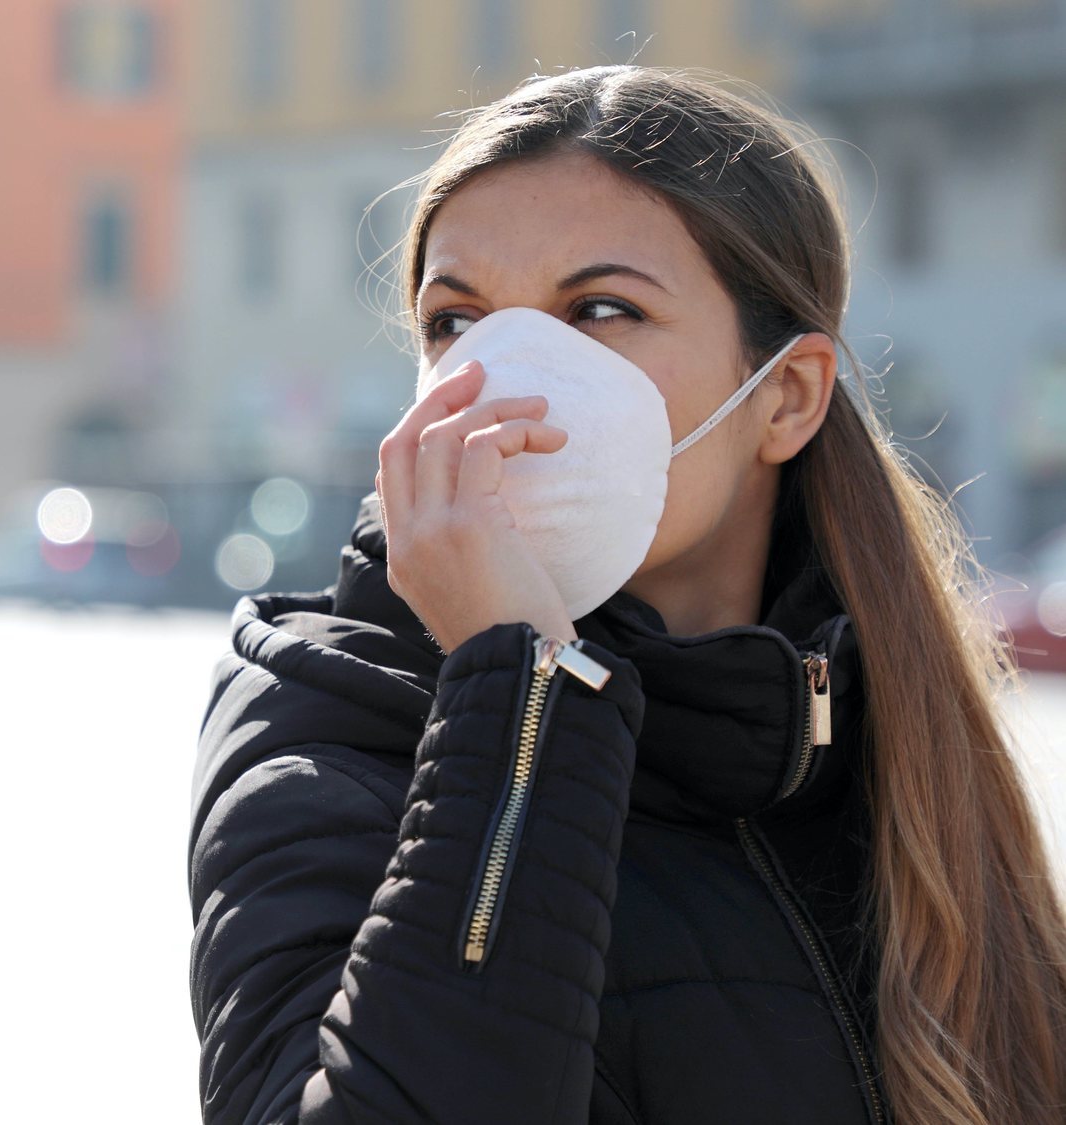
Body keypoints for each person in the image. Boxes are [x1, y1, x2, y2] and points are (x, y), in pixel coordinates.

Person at [188, 66, 1066, 1124]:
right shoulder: (327, 723)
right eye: (457, 322)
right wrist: (519, 694)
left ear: (785, 398)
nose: (508, 377)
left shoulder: (887, 740)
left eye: (600, 310)